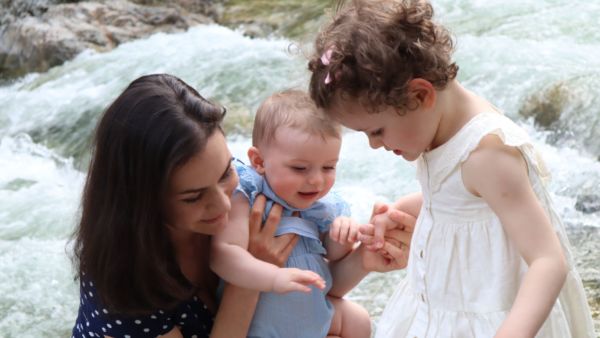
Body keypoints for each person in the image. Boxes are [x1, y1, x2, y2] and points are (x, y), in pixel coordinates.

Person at [307, 0, 596, 337]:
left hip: (495, 315)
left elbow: (549, 261)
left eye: (376, 131)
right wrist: (409, 208)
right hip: (447, 304)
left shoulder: (487, 153)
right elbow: (471, 200)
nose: (375, 145)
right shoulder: (441, 124)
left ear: (420, 95)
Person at [70, 74, 304, 338]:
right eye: (194, 197)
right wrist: (251, 275)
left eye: (226, 172)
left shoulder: (249, 189)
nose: (224, 204)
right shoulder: (123, 282)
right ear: (141, 203)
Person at [210, 89, 371, 338]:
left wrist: (343, 235)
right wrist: (271, 277)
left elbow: (333, 255)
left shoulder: (324, 207)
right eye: (299, 168)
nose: (316, 180)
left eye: (329, 167)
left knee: (359, 320)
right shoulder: (247, 194)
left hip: (317, 316)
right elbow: (223, 254)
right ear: (259, 161)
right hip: (261, 327)